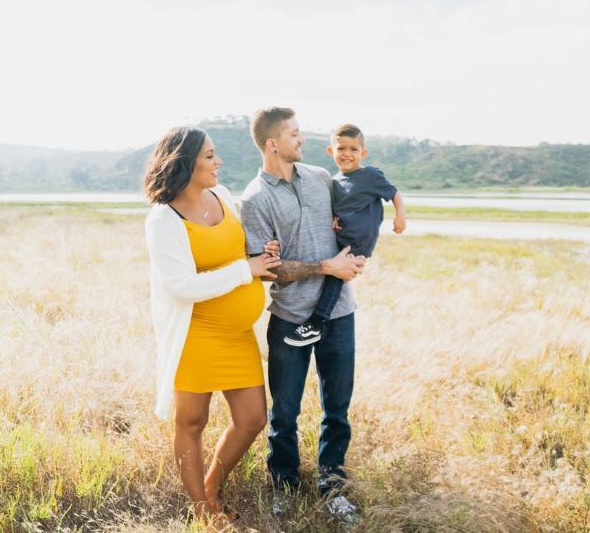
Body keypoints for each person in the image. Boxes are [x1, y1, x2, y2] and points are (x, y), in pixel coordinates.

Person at [143, 126, 281, 525]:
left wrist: (260, 257)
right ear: (185, 163)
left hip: (236, 335)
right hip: (196, 334)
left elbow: (237, 254)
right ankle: (202, 508)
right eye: (209, 156)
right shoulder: (164, 219)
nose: (218, 162)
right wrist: (246, 270)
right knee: (192, 421)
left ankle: (211, 484)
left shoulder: (221, 197)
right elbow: (182, 286)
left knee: (253, 418)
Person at [239, 107, 366, 524]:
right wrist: (324, 267)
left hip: (339, 314)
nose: (302, 139)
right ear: (273, 143)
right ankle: (285, 488)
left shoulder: (320, 178)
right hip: (290, 317)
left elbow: (350, 219)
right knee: (284, 413)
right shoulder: (255, 199)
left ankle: (332, 484)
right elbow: (267, 270)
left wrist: (351, 243)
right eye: (295, 134)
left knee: (337, 408)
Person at [284, 123, 406, 347]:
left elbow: (395, 194)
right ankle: (313, 320)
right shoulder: (334, 181)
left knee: (335, 278)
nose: (347, 154)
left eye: (353, 149)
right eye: (341, 149)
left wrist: (400, 216)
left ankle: (316, 323)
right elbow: (340, 207)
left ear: (363, 153)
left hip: (357, 241)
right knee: (329, 270)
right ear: (331, 151)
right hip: (340, 238)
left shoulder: (371, 175)